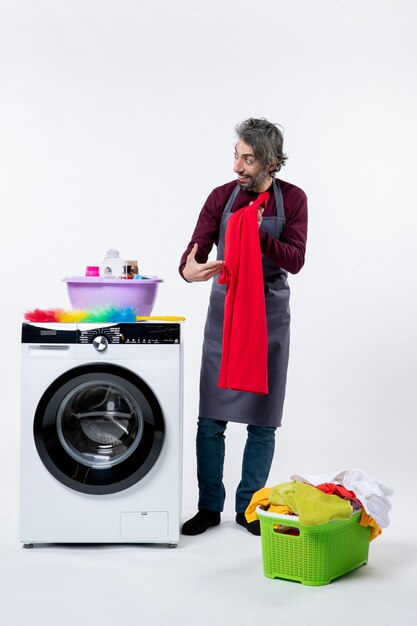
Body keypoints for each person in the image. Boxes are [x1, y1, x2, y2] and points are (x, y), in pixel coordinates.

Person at [179, 117, 308, 535]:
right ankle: (209, 506)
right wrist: (190, 270)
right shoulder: (220, 198)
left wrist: (259, 235)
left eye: (248, 159)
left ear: (271, 162)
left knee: (263, 420)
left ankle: (249, 507)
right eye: (236, 156)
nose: (238, 166)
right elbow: (191, 256)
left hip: (270, 315)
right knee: (210, 419)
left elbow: (295, 260)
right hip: (226, 313)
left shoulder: (294, 200)